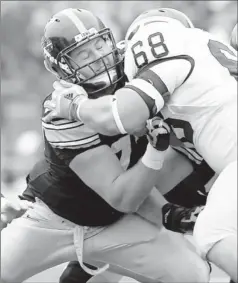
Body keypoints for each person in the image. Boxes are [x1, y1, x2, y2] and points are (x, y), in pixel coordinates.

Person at [1, 8, 210, 283]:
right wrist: (155, 150)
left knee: (192, 275)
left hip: (116, 222)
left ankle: (88, 267)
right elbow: (120, 195)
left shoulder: (135, 65)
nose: (98, 57)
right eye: (84, 54)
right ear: (63, 67)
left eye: (99, 44)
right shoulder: (62, 109)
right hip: (55, 219)